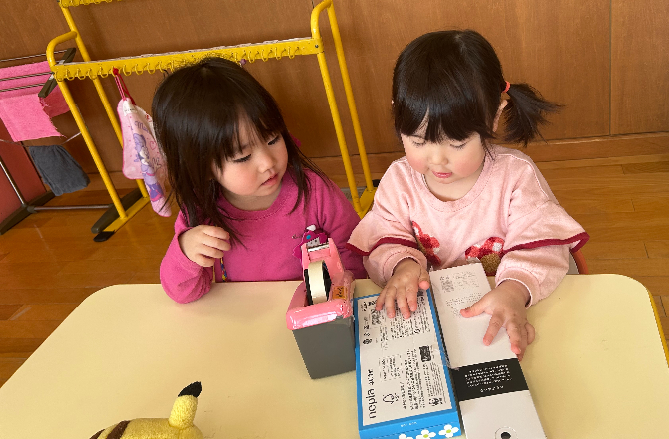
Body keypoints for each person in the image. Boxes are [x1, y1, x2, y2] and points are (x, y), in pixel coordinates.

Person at [347, 30, 588, 358]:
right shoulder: (399, 180)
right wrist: (403, 265)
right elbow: (383, 238)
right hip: (434, 318)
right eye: (418, 141)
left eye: (457, 143)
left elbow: (543, 247)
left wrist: (514, 291)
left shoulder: (516, 176)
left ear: (494, 115)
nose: (437, 159)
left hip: (503, 311)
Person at [152, 57, 366, 303]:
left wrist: (343, 297)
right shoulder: (201, 213)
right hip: (245, 316)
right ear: (203, 168)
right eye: (243, 157)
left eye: (273, 139)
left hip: (313, 310)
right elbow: (183, 293)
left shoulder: (316, 191)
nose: (267, 162)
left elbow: (355, 256)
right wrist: (185, 252)